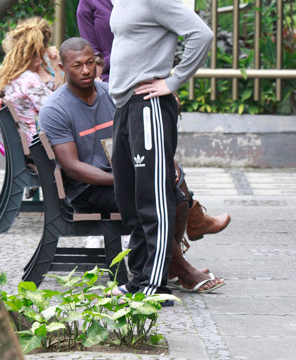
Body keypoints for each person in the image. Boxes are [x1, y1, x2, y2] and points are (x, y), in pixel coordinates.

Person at [39, 38, 224, 293]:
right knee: (147, 200)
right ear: (62, 67)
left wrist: (149, 171)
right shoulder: (55, 109)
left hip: (124, 175)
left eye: (91, 63)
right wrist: (130, 179)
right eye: (77, 65)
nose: (86, 70)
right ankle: (181, 270)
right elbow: (73, 168)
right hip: (88, 190)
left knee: (177, 196)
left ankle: (167, 264)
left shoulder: (111, 94)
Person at [108, 0, 214, 299]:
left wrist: (172, 81)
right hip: (125, 106)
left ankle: (152, 284)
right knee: (128, 199)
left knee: (152, 198)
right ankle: (137, 278)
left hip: (149, 106)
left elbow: (201, 34)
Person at [0, 17, 62, 140]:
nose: (39, 60)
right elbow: (57, 111)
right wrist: (57, 69)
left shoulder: (12, 78)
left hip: (32, 144)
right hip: (44, 147)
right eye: (35, 54)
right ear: (24, 54)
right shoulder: (29, 79)